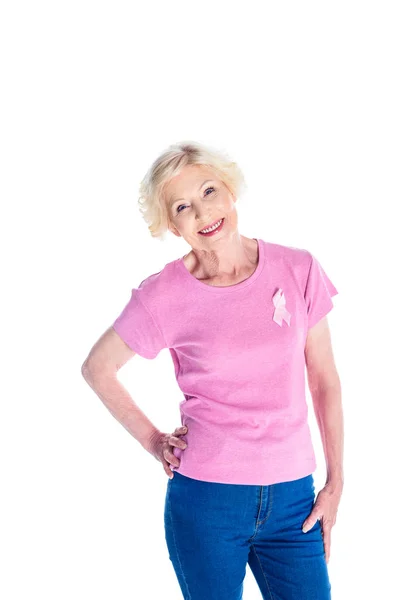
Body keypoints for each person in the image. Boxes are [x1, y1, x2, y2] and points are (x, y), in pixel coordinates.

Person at [81, 140, 344, 600]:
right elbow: (98, 368)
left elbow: (324, 380)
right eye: (183, 206)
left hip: (294, 501)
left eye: (208, 192)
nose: (203, 213)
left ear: (230, 191)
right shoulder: (162, 295)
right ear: (172, 225)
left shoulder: (298, 269)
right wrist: (153, 440)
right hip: (207, 502)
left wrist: (336, 481)